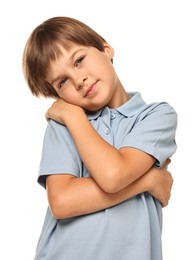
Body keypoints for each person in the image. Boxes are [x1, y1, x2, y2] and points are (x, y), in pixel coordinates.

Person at [22, 16, 177, 260]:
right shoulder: (64, 125)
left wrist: (73, 117)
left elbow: (113, 174)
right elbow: (62, 202)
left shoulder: (155, 116)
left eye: (79, 60)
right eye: (62, 82)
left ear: (106, 48)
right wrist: (146, 181)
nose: (78, 80)